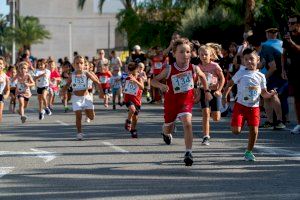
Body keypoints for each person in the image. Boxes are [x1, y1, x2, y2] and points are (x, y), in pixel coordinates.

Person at [151, 38, 212, 166]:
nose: (186, 55)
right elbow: (153, 80)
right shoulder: (168, 69)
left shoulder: (193, 68)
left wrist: (206, 91)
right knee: (168, 128)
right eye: (182, 52)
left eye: (188, 52)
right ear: (174, 54)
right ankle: (165, 133)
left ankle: (188, 152)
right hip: (171, 103)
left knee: (188, 124)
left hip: (186, 102)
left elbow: (202, 76)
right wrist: (161, 86)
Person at [222, 48, 277, 161]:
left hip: (254, 108)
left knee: (254, 130)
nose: (249, 62)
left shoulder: (261, 76)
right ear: (243, 61)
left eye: (251, 59)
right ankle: (238, 122)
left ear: (258, 60)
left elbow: (263, 93)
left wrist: (270, 94)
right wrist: (224, 96)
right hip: (240, 106)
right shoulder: (241, 73)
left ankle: (249, 152)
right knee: (236, 131)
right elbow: (230, 84)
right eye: (246, 59)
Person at [62, 55, 103, 140]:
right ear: (74, 65)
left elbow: (97, 82)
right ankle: (79, 133)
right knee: (78, 115)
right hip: (76, 98)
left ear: (84, 64)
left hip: (86, 98)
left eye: (81, 63)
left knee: (91, 117)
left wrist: (101, 92)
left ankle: (89, 111)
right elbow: (67, 85)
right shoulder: (72, 75)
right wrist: (62, 91)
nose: (79, 65)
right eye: (77, 63)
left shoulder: (86, 73)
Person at [257, 28, 287, 129]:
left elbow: (272, 66)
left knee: (273, 95)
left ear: (267, 34)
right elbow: (265, 62)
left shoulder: (265, 45)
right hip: (284, 74)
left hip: (276, 75)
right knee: (267, 96)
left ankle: (279, 121)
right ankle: (270, 121)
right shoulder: (282, 43)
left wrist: (262, 78)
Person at [198, 45, 225, 145]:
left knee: (216, 118)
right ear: (199, 55)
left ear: (210, 55)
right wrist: (196, 92)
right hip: (203, 91)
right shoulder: (198, 67)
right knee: (205, 114)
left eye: (206, 54)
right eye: (202, 55)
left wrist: (219, 90)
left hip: (214, 92)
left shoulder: (215, 66)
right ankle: (206, 137)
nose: (204, 56)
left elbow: (222, 79)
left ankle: (213, 112)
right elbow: (196, 80)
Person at [282, 15, 300, 134]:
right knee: (297, 99)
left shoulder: (291, 39)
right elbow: (283, 54)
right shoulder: (287, 38)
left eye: (292, 23)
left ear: (298, 24)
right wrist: (283, 69)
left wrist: (291, 42)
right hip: (293, 72)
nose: (290, 25)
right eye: (289, 23)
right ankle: (299, 124)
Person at [123, 62, 144, 138]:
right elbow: (125, 89)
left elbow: (142, 87)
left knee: (135, 118)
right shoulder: (128, 78)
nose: (131, 72)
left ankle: (133, 130)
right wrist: (123, 98)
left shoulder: (139, 78)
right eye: (130, 70)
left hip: (137, 100)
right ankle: (128, 121)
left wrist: (135, 81)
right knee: (132, 109)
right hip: (129, 99)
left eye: (133, 70)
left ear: (136, 69)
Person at [0, 56, 10, 123]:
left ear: (3, 66)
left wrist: (6, 95)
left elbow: (8, 89)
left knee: (0, 113)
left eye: (0, 64)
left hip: (0, 96)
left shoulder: (6, 77)